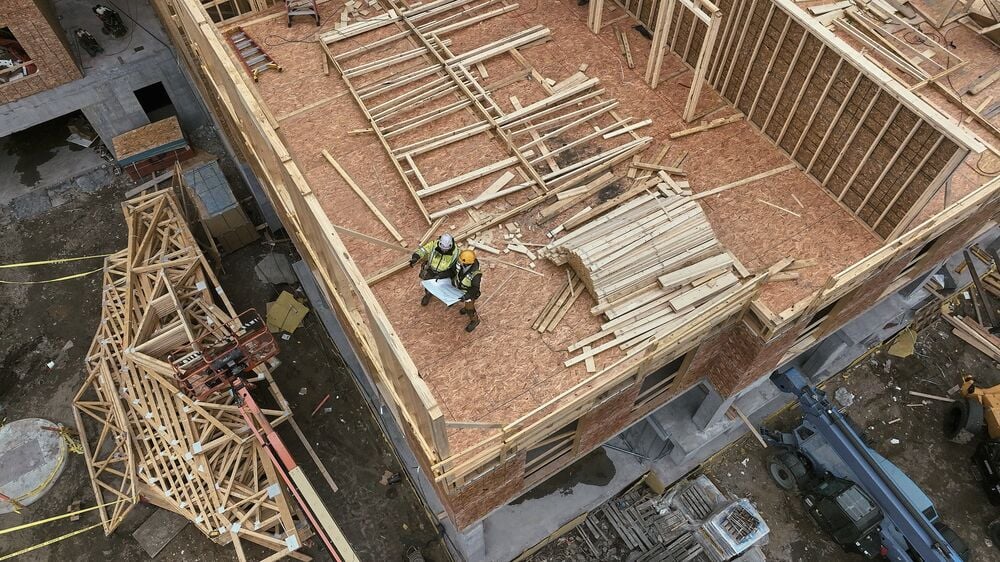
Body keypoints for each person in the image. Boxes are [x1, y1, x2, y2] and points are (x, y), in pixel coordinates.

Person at [409, 234, 459, 306]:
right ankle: (428, 295)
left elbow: (456, 268)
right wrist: (415, 257)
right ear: (439, 243)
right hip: (431, 269)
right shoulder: (433, 244)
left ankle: (447, 298)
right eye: (442, 249)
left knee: (444, 287)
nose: (444, 251)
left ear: (451, 246)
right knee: (429, 284)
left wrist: (445, 274)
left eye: (446, 249)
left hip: (445, 273)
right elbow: (423, 250)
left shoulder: (456, 252)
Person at [452, 249, 482, 333]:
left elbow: (475, 288)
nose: (460, 262)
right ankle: (466, 308)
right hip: (462, 289)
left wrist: (466, 296)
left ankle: (474, 320)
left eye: (462, 261)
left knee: (470, 308)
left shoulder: (476, 274)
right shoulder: (463, 266)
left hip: (469, 293)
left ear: (467, 262)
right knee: (467, 305)